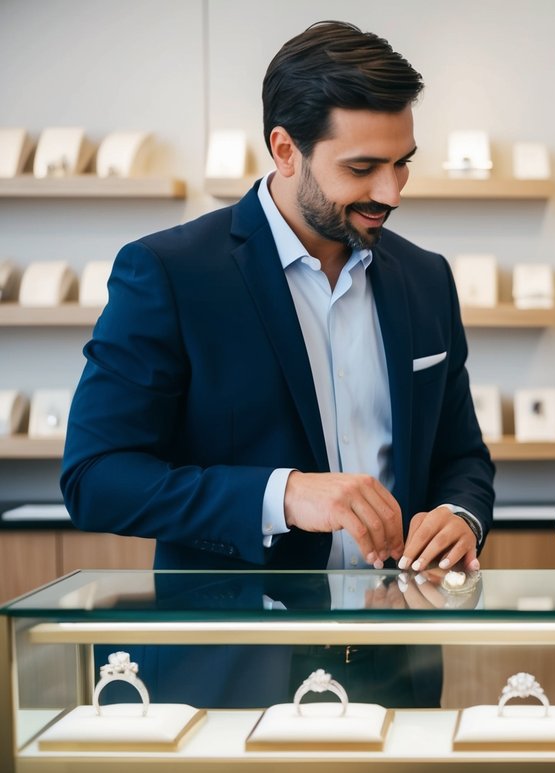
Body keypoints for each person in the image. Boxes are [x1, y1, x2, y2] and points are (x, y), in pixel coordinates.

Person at [60, 21, 495, 708]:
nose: (394, 191)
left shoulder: (426, 278)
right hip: (228, 673)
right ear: (284, 149)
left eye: (403, 161)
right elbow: (95, 477)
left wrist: (458, 515)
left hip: (396, 666)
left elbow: (461, 454)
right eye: (361, 169)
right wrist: (284, 494)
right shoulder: (170, 273)